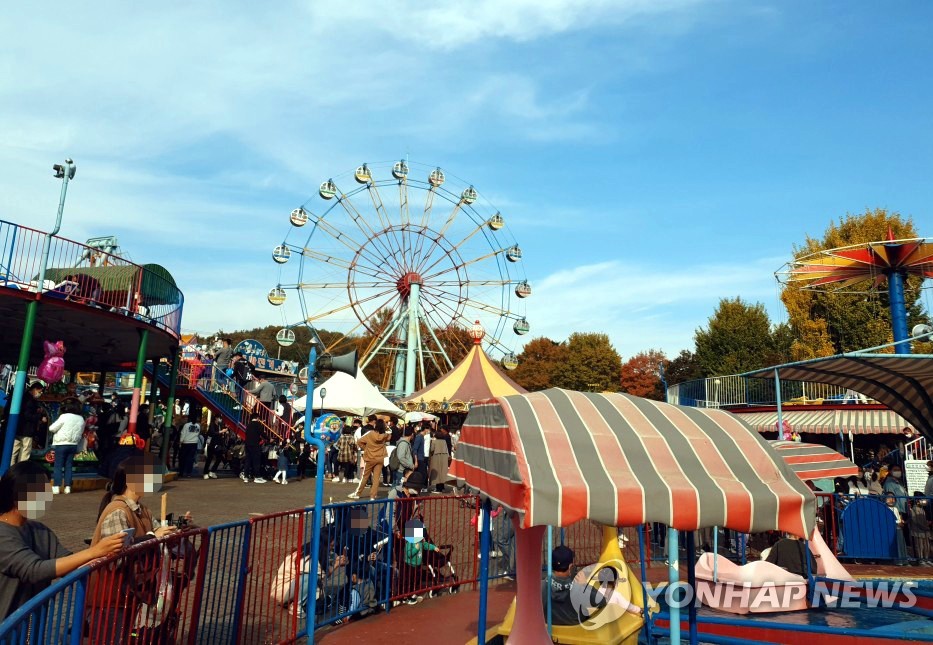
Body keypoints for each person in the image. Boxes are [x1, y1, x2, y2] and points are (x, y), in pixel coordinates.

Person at [0, 462, 123, 621]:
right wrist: (94, 551)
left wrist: (107, 552)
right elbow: (34, 570)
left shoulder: (40, 530)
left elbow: (69, 562)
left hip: (29, 630)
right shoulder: (3, 534)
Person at [89, 454, 189, 641]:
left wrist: (178, 528)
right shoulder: (117, 511)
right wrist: (152, 537)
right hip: (109, 597)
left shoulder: (143, 510)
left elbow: (160, 532)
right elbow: (116, 556)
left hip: (130, 595)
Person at [542, 545, 607, 626]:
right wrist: (584, 585)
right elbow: (602, 601)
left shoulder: (541, 586)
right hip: (576, 631)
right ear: (570, 567)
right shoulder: (578, 589)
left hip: (551, 631)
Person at [48, 402, 84, 494]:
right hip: (73, 444)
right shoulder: (81, 419)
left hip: (61, 443)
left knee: (58, 466)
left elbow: (52, 428)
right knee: (69, 466)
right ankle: (67, 487)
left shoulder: (64, 416)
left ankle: (56, 486)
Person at [349, 420, 389, 500]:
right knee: (376, 478)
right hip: (380, 458)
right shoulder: (385, 436)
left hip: (370, 457)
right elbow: (389, 432)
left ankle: (358, 493)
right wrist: (386, 427)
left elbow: (359, 442)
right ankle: (372, 496)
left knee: (365, 476)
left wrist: (366, 448)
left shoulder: (370, 434)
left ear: (375, 425)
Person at [11, 382, 47, 466]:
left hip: (18, 428)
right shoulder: (30, 400)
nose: (40, 394)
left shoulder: (23, 397)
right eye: (40, 392)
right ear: (35, 389)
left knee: (14, 451)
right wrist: (40, 417)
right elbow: (27, 415)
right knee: (25, 451)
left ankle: (11, 468)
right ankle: (21, 469)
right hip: (27, 429)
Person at [242, 412, 266, 483]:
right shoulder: (258, 425)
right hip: (255, 445)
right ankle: (257, 477)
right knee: (256, 461)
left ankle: (246, 477)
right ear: (257, 418)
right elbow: (262, 433)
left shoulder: (248, 425)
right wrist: (269, 438)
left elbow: (246, 433)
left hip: (247, 444)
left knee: (248, 460)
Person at [429, 425, 452, 494]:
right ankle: (442, 487)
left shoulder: (434, 442)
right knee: (442, 472)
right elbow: (448, 448)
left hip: (436, 457)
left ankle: (438, 488)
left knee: (437, 472)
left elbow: (431, 450)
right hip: (444, 457)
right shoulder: (444, 441)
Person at [909, 493, 931, 565]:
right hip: (918, 531)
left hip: (925, 531)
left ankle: (926, 558)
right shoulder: (913, 509)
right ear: (917, 501)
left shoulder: (922, 510)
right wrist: (925, 527)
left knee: (926, 546)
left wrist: (927, 524)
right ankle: (920, 559)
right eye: (922, 500)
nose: (924, 502)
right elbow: (916, 521)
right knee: (919, 546)